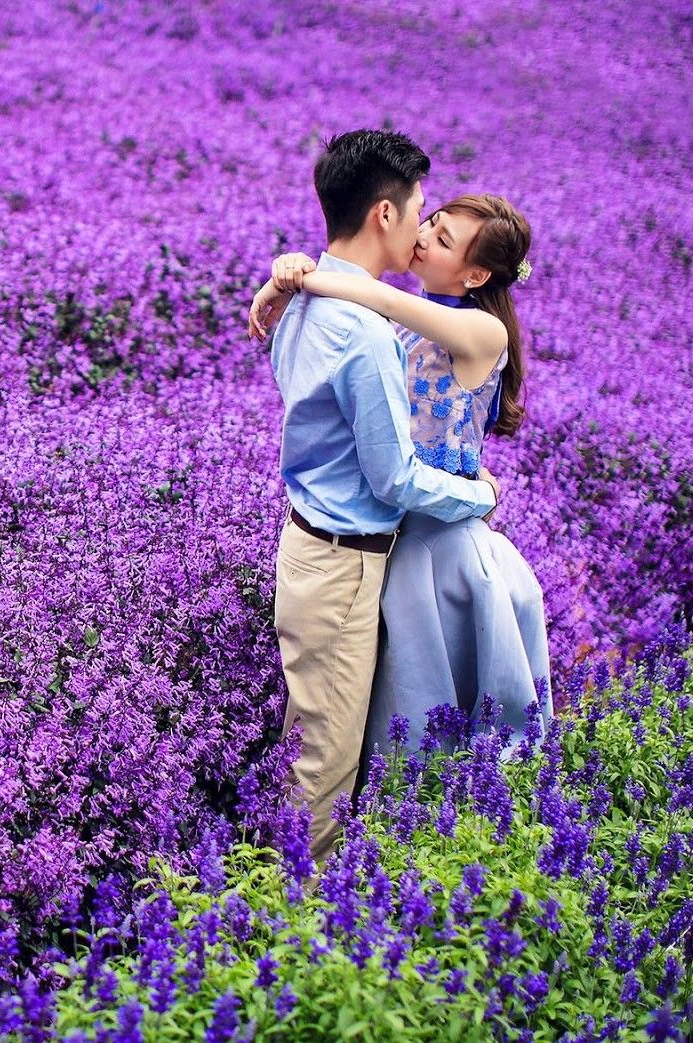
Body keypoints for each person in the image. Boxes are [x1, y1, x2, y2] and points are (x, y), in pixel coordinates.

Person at [253, 129, 500, 863]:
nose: (423, 225)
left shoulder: (301, 296)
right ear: (383, 216)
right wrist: (474, 494)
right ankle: (292, 924)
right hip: (342, 566)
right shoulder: (361, 332)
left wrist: (280, 275)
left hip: (312, 545)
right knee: (324, 766)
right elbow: (393, 479)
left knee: (318, 742)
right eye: (420, 207)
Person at [249, 192, 552, 767]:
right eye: (431, 220)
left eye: (442, 241)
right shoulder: (402, 318)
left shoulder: (485, 333)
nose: (423, 235)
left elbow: (373, 290)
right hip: (393, 530)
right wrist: (286, 275)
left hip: (443, 544)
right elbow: (369, 296)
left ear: (476, 273)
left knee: (437, 723)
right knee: (374, 716)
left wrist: (293, 278)